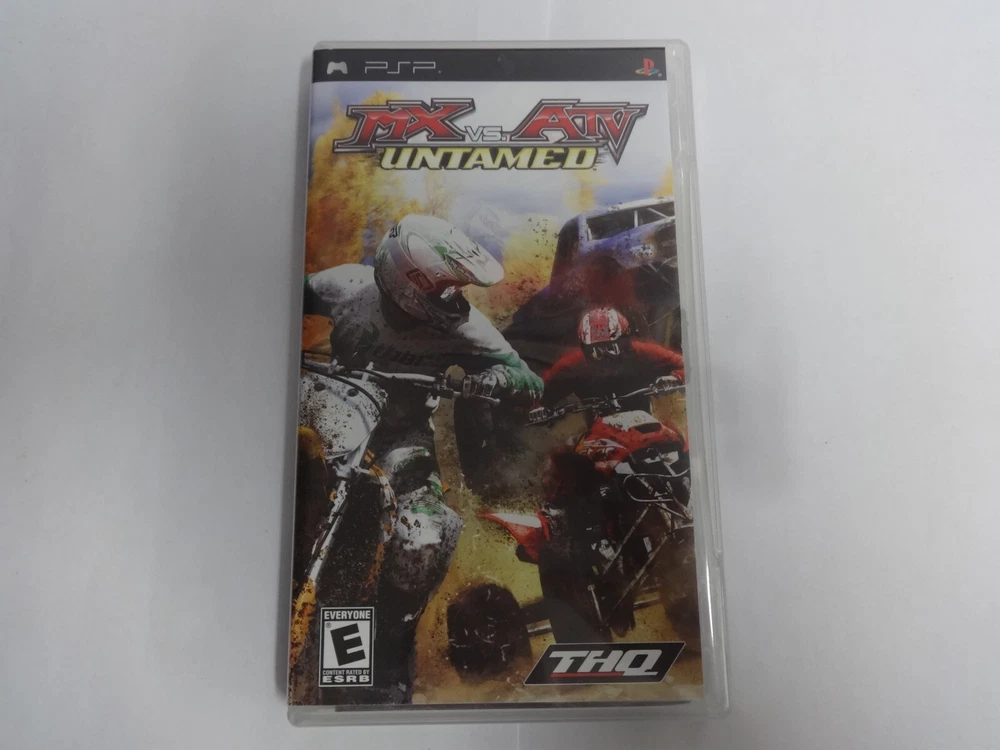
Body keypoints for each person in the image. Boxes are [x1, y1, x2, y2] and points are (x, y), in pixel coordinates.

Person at [302, 214, 543, 702]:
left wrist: (495, 379)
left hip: (399, 438)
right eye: (446, 287)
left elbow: (529, 380)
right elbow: (281, 299)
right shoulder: (346, 286)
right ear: (409, 281)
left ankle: (388, 651)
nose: (456, 298)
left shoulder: (464, 327)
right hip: (323, 413)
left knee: (423, 536)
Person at [541, 306, 684, 415]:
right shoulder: (574, 364)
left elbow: (685, 365)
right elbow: (540, 391)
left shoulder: (643, 353)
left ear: (625, 343)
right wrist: (539, 408)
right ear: (585, 350)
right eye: (596, 351)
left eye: (611, 348)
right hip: (598, 435)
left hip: (645, 427)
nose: (605, 357)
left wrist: (676, 378)